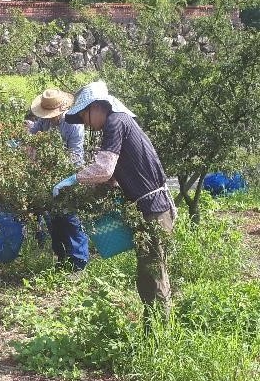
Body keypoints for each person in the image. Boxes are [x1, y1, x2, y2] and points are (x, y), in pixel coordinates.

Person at [53, 80, 176, 323]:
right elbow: (116, 174)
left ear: (96, 106)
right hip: (150, 207)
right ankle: (154, 327)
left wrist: (73, 179)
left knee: (153, 273)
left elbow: (104, 169)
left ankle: (160, 333)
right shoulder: (119, 122)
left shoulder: (114, 122)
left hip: (154, 209)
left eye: (85, 115)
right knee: (147, 271)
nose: (86, 123)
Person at [27, 88, 89, 271]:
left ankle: (78, 264)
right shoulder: (43, 121)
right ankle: (61, 261)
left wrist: (65, 179)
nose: (48, 117)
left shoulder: (73, 124)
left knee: (70, 220)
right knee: (53, 221)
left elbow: (76, 156)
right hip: (47, 177)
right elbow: (32, 136)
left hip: (68, 177)